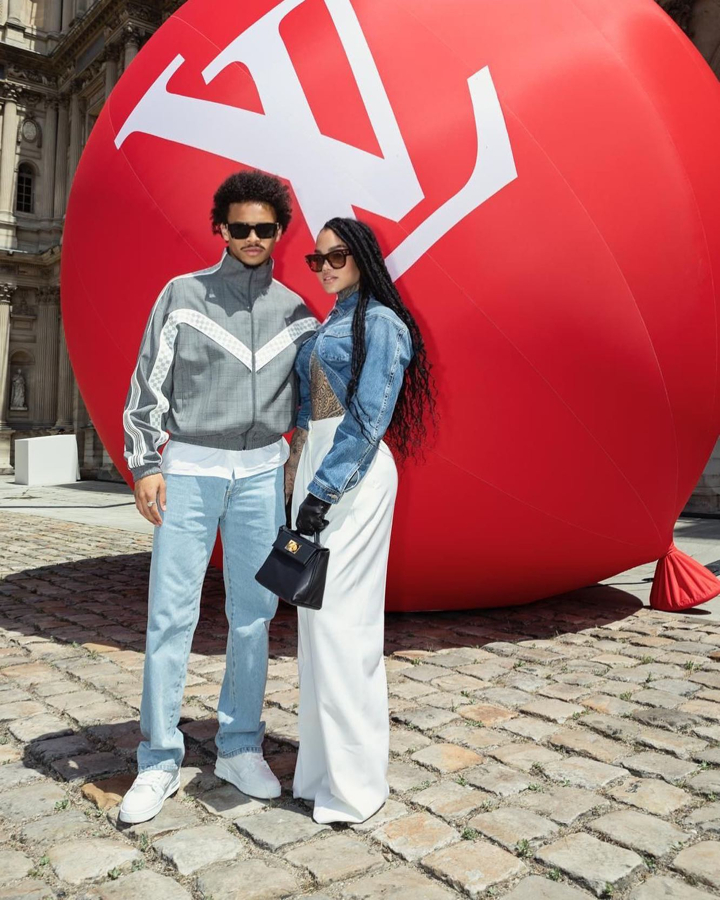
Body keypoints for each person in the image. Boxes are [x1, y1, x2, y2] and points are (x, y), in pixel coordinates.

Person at [119, 170, 317, 824]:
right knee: (170, 615)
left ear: (280, 232)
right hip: (189, 471)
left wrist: (299, 468)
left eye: (265, 228)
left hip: (262, 476)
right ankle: (157, 759)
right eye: (240, 228)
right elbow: (147, 385)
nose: (253, 238)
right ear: (221, 229)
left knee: (255, 614)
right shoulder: (182, 296)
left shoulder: (297, 313)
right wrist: (146, 463)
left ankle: (239, 746)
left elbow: (312, 402)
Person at [288, 217, 435, 824]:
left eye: (337, 256)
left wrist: (322, 492)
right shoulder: (329, 321)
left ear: (363, 257)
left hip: (354, 477)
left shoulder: (381, 323)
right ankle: (321, 773)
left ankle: (357, 786)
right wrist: (296, 479)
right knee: (312, 626)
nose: (325, 267)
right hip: (316, 472)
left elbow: (369, 419)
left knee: (342, 626)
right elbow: (308, 416)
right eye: (316, 259)